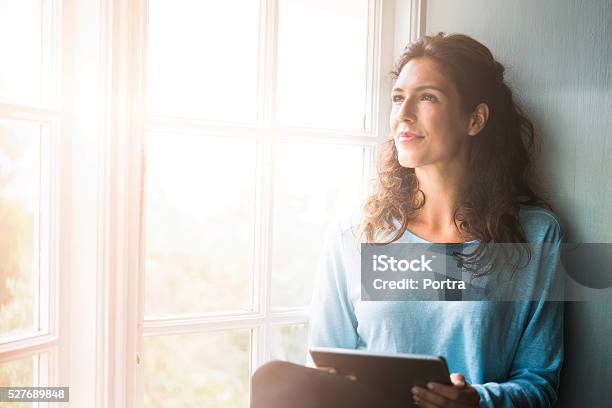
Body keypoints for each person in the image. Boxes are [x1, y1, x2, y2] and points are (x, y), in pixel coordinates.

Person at [251, 32, 564, 408]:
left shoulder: (535, 236)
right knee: (274, 381)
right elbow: (323, 367)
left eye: (427, 97)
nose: (403, 114)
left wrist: (476, 401)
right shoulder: (355, 233)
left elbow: (540, 383)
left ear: (475, 119)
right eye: (398, 98)